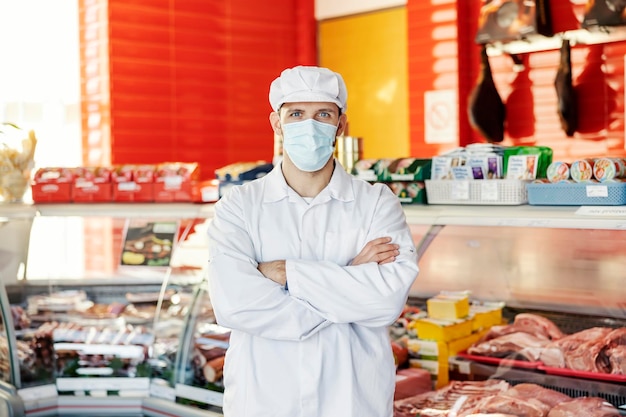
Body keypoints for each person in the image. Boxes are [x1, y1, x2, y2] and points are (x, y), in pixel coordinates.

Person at [207, 65, 419, 417]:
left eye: (323, 114)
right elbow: (235, 306)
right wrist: (350, 274)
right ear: (277, 123)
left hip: (352, 398)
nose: (310, 125)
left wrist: (286, 273)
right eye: (296, 114)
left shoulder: (376, 202)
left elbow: (385, 302)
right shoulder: (239, 206)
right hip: (264, 398)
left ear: (341, 124)